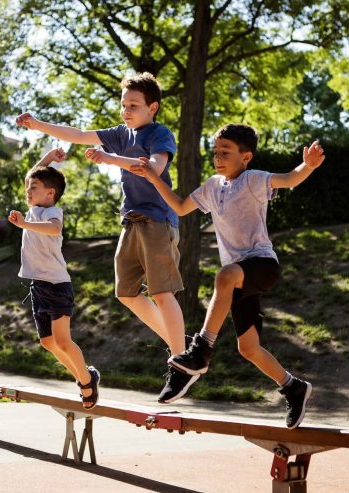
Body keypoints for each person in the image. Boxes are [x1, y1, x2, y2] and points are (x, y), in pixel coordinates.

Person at [128, 124, 325, 428]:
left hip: (261, 264)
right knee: (248, 348)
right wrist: (154, 177)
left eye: (226, 153)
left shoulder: (253, 180)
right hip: (237, 277)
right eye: (216, 152)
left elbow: (289, 179)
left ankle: (199, 352)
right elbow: (180, 208)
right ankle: (293, 387)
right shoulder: (212, 186)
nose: (218, 158)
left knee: (225, 275)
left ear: (246, 156)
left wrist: (307, 166)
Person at [15, 72, 196, 403]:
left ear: (152, 108)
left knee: (160, 291)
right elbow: (80, 134)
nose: (126, 111)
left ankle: (182, 362)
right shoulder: (118, 133)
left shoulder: (159, 133)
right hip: (130, 222)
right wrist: (38, 125)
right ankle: (179, 344)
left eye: (134, 106)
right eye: (123, 105)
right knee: (126, 293)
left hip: (157, 219)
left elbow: (154, 167)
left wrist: (111, 159)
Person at [8, 147, 100, 410]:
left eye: (33, 188)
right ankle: (85, 376)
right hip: (39, 286)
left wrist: (24, 225)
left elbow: (53, 230)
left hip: (58, 285)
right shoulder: (34, 207)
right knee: (47, 342)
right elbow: (32, 174)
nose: (28, 190)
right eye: (27, 187)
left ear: (50, 193)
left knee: (62, 340)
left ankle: (86, 381)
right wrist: (48, 157)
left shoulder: (51, 213)